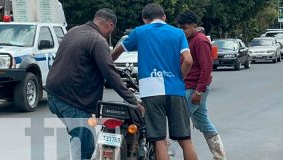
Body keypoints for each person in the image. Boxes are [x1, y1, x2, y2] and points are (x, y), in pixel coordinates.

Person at [45, 8, 142, 160]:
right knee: (85, 146)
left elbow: (80, 61)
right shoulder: (98, 40)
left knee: (78, 138)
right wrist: (133, 100)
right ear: (110, 25)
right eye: (112, 29)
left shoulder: (74, 31)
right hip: (72, 100)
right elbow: (110, 74)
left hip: (53, 96)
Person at [112, 3, 198, 160]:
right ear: (164, 17)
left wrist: (106, 65)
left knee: (159, 140)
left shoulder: (139, 32)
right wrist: (179, 78)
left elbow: (116, 52)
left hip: (151, 91)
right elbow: (188, 60)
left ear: (145, 19)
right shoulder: (178, 33)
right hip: (176, 90)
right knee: (185, 139)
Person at [176, 10, 226, 160]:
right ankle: (220, 156)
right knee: (202, 122)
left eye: (185, 28)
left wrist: (199, 92)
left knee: (178, 123)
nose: (182, 31)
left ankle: (167, 154)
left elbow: (206, 68)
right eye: (180, 28)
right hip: (189, 86)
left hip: (195, 88)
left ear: (194, 26)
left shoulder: (200, 40)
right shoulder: (187, 40)